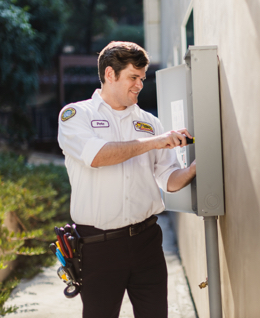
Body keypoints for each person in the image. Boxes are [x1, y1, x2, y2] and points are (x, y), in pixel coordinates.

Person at [57, 41, 196, 318]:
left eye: (142, 78)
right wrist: (154, 142)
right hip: (99, 246)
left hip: (147, 242)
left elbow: (169, 180)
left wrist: (196, 167)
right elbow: (97, 156)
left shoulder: (149, 122)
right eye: (133, 77)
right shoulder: (76, 115)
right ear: (110, 74)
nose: (139, 85)